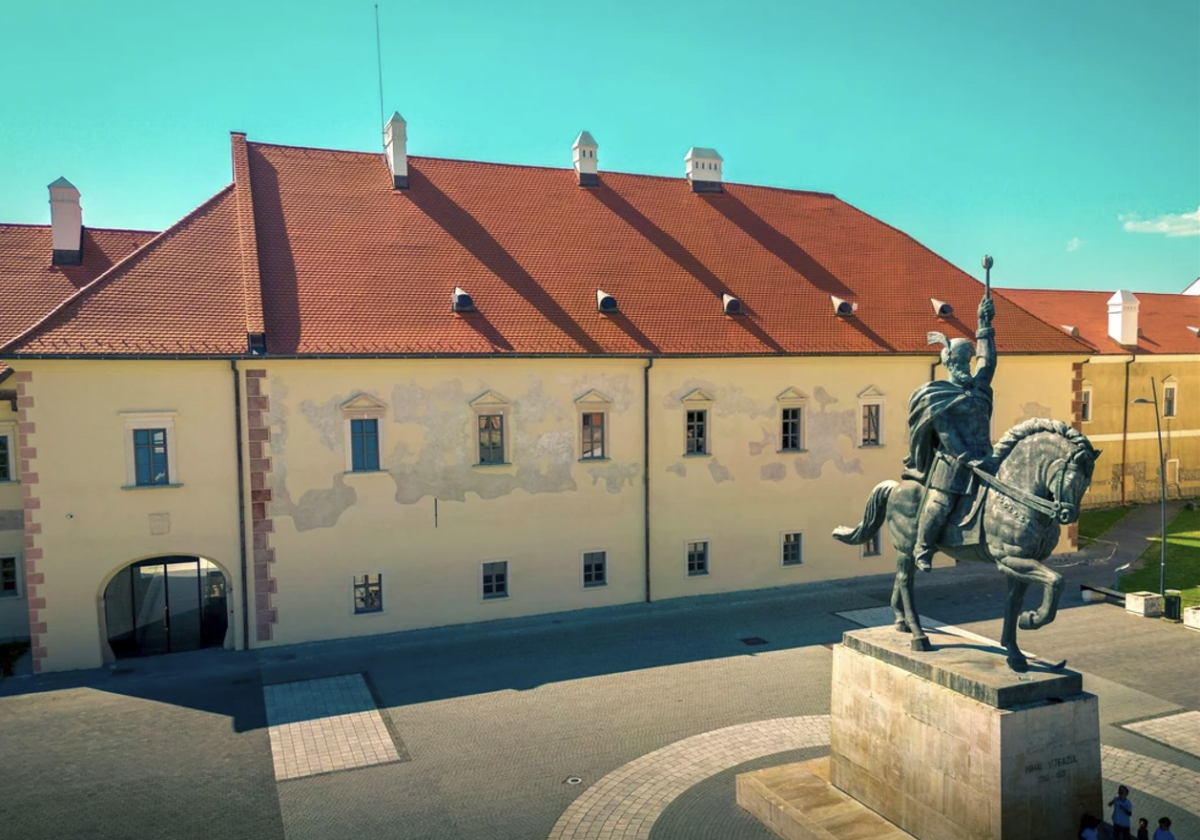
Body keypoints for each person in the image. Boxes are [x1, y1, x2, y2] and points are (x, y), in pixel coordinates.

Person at [903, 293, 996, 572]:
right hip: (953, 464)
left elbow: (988, 361)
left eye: (968, 363)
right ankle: (922, 547)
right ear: (950, 364)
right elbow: (946, 434)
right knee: (941, 504)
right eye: (961, 364)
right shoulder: (937, 396)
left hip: (985, 456)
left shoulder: (978, 388)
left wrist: (984, 324)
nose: (967, 368)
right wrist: (967, 458)